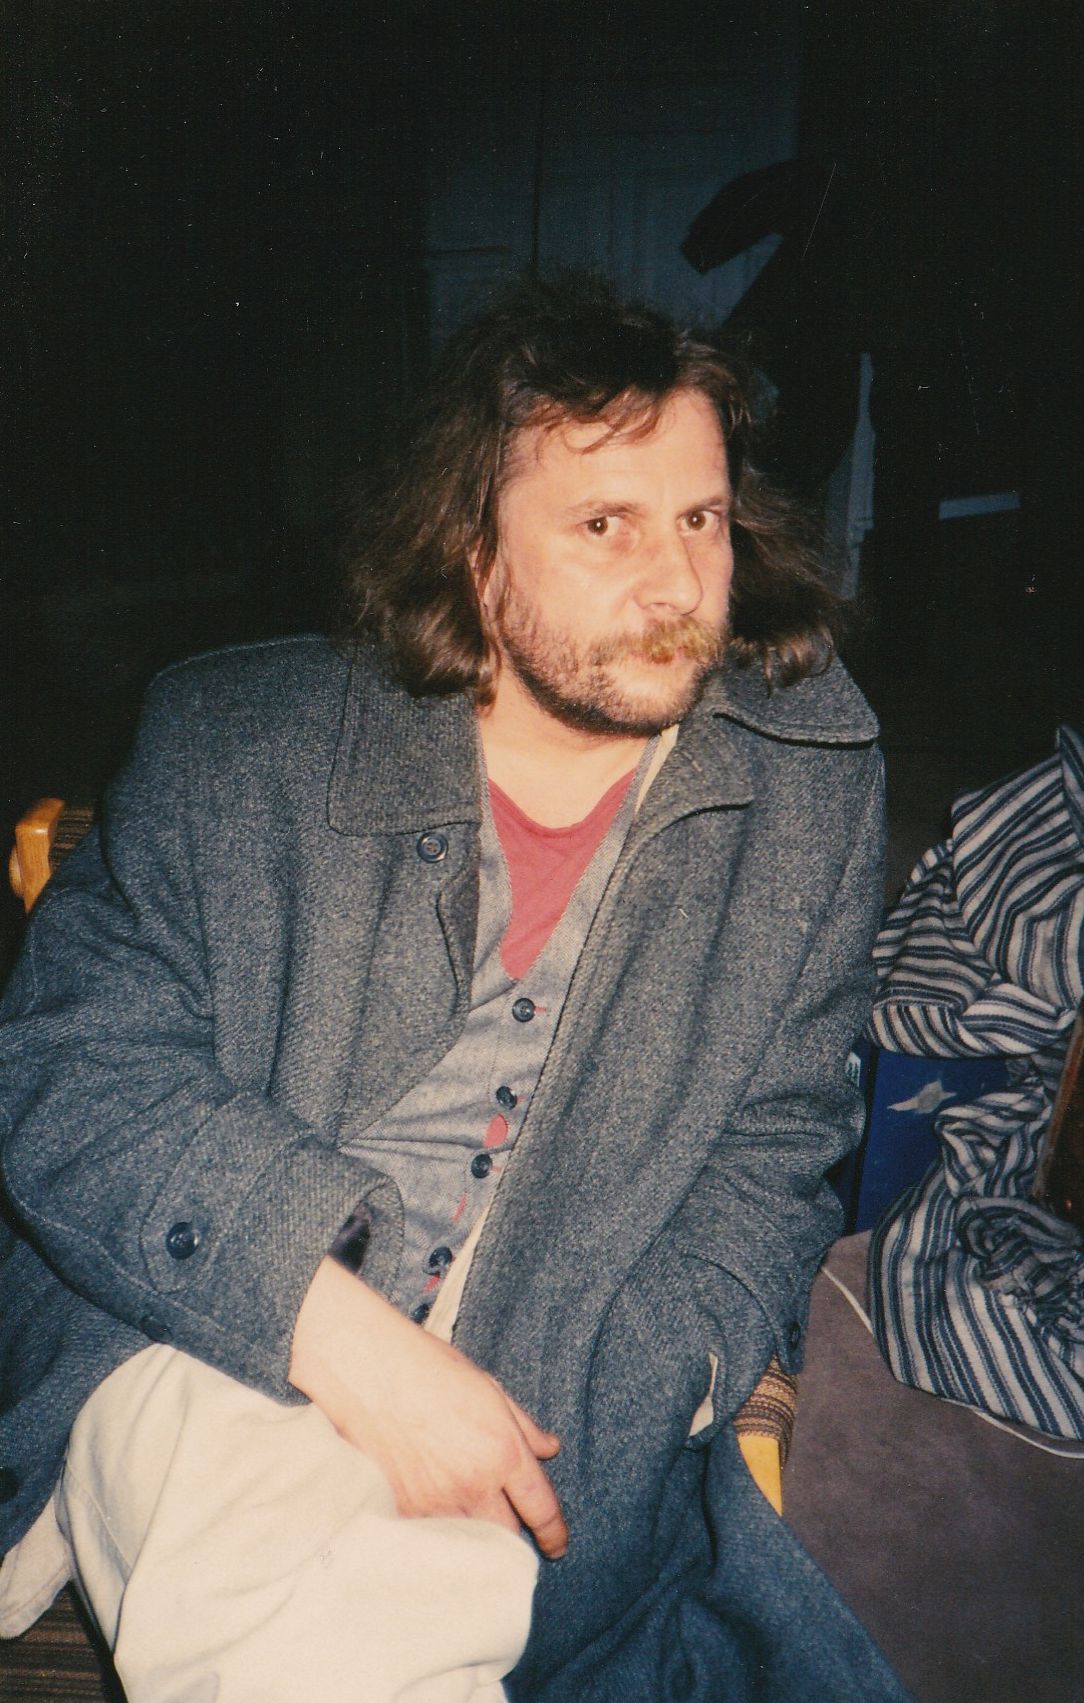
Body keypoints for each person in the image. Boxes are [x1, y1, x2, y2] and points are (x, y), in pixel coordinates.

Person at [0, 276, 902, 1699]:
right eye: (604, 525)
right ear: (475, 554)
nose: (677, 584)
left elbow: (783, 1142)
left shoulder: (808, 790)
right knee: (302, 1584)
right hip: (210, 1325)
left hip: (560, 1380)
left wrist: (655, 1373)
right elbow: (71, 1072)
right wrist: (344, 1341)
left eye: (700, 519)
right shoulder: (238, 744)